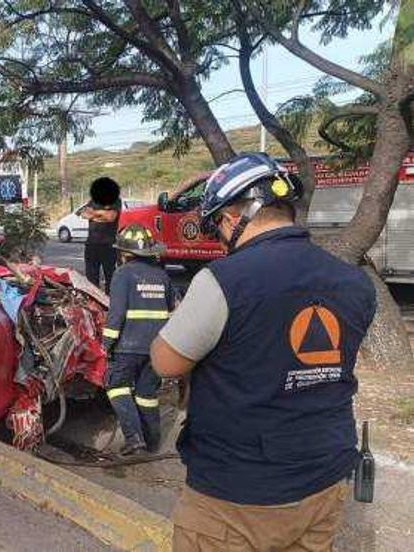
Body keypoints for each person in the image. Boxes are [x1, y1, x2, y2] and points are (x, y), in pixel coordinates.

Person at [150, 153, 376, 551]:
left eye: (217, 224)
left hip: (236, 497)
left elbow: (165, 361)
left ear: (235, 216)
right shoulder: (354, 281)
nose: (219, 237)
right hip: (323, 480)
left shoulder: (223, 280)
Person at [102, 224, 173, 456]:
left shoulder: (123, 274)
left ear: (124, 253)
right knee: (146, 394)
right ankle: (152, 442)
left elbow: (116, 314)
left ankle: (134, 440)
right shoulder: (163, 276)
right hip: (156, 349)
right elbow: (172, 310)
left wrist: (106, 345)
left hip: (127, 348)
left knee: (116, 387)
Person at [80, 176, 122, 293]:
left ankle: (109, 303)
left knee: (110, 277)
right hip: (91, 245)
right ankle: (94, 304)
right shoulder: (93, 201)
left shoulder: (115, 201)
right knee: (91, 279)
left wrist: (94, 214)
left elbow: (110, 217)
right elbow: (83, 214)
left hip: (108, 245)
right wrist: (101, 214)